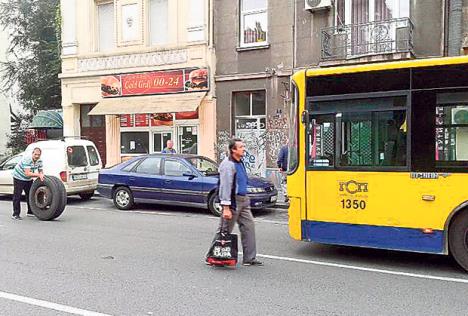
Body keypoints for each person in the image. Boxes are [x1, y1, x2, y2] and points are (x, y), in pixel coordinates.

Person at [208, 138, 263, 266]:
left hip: (244, 200)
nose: (244, 148)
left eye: (243, 146)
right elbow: (225, 186)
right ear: (233, 150)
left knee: (249, 227)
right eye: (241, 147)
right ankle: (213, 255)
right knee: (224, 229)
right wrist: (226, 207)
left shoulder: (240, 161)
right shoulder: (228, 164)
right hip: (233, 201)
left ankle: (249, 258)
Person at [11, 148, 44, 220]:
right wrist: (39, 175)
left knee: (30, 195)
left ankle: (30, 212)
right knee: (17, 195)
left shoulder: (39, 161)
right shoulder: (27, 160)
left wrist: (41, 176)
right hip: (18, 177)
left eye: (38, 155)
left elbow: (40, 171)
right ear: (32, 153)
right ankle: (15, 214)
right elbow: (27, 173)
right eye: (35, 154)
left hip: (28, 179)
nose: (37, 156)